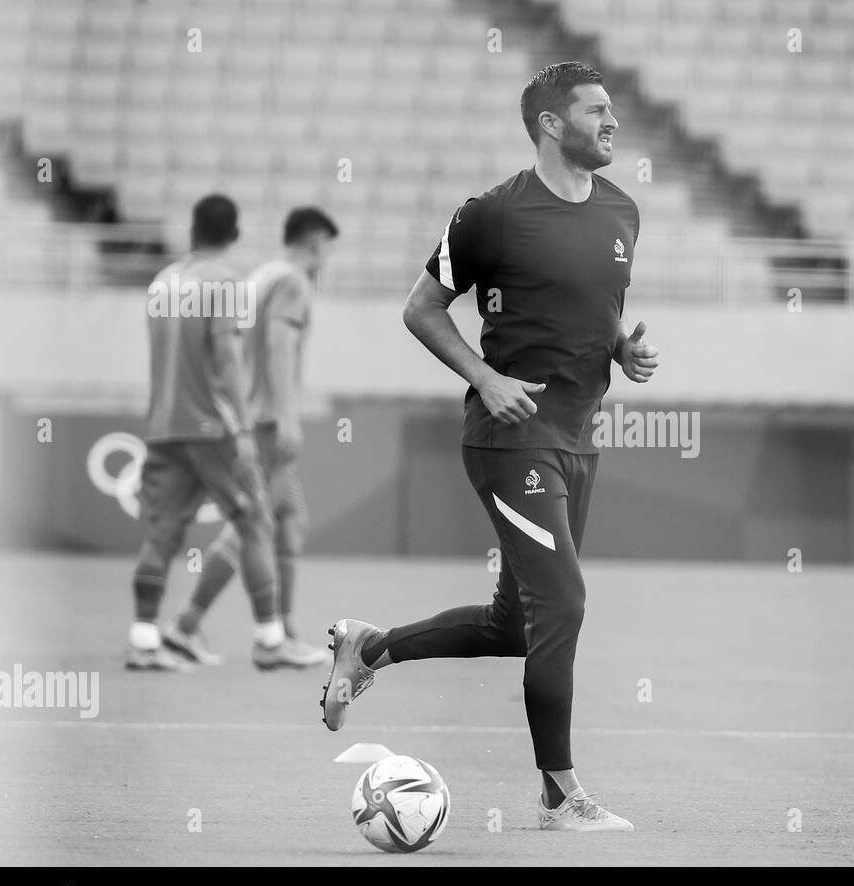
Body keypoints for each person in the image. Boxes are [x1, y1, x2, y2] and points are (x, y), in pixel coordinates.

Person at [320, 62, 660, 831]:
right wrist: (486, 375)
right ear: (550, 123)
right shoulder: (492, 215)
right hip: (510, 438)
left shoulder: (623, 211)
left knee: (519, 625)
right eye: (596, 110)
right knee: (564, 602)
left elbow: (596, 306)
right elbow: (422, 307)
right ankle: (559, 796)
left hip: (578, 439)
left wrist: (620, 351)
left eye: (612, 111)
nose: (612, 123)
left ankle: (369, 648)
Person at [165, 207, 339, 670]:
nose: (326, 259)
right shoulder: (293, 281)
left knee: (289, 522)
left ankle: (283, 631)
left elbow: (233, 348)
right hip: (267, 422)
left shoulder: (258, 277)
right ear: (316, 241)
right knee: (250, 526)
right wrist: (286, 415)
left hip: (251, 414)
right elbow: (279, 345)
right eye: (327, 249)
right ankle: (189, 626)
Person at [128, 195, 289, 671]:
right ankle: (269, 639)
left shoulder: (161, 283)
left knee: (162, 531)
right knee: (255, 519)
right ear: (233, 234)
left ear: (193, 231)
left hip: (162, 425)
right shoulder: (225, 282)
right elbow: (227, 359)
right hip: (212, 426)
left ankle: (143, 641)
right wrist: (241, 428)